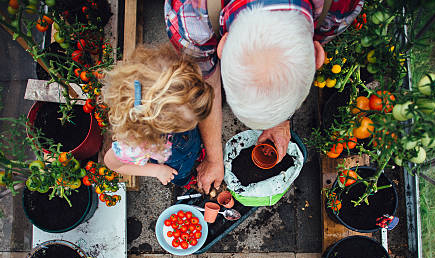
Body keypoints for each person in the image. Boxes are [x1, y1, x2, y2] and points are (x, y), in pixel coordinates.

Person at [165, 0, 363, 193]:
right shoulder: (190, 17)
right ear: (318, 55)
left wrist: (280, 121)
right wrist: (214, 159)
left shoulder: (341, 6)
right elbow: (206, 86)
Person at [102, 44, 214, 187]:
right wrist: (156, 170)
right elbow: (113, 164)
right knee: (182, 177)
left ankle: (197, 152)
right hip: (176, 166)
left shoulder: (171, 85)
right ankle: (186, 180)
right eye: (190, 121)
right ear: (162, 126)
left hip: (190, 144)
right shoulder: (136, 145)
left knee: (195, 144)